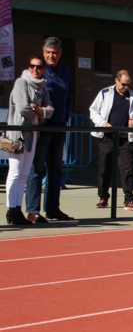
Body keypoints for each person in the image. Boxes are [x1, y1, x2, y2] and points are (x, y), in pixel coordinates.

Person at [25, 37, 74, 223]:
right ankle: (32, 211)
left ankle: (53, 209)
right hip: (42, 127)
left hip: (60, 126)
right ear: (43, 53)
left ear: (60, 54)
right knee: (37, 169)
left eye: (54, 52)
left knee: (55, 170)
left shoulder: (65, 71)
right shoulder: (38, 71)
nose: (51, 55)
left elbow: (69, 95)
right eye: (48, 52)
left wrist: (65, 117)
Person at [4, 56, 54, 225]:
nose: (35, 69)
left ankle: (17, 209)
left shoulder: (43, 87)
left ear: (43, 69)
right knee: (15, 172)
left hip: (33, 134)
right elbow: (23, 107)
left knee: (24, 174)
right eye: (32, 66)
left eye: (39, 67)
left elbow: (50, 110)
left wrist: (37, 109)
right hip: (18, 133)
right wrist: (39, 111)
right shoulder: (21, 82)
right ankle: (12, 210)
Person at [89, 70, 133, 211]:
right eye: (124, 84)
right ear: (116, 80)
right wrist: (102, 123)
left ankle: (129, 200)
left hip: (126, 138)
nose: (126, 87)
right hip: (108, 136)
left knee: (127, 169)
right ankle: (103, 198)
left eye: (129, 85)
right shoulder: (105, 93)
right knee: (105, 168)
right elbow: (93, 110)